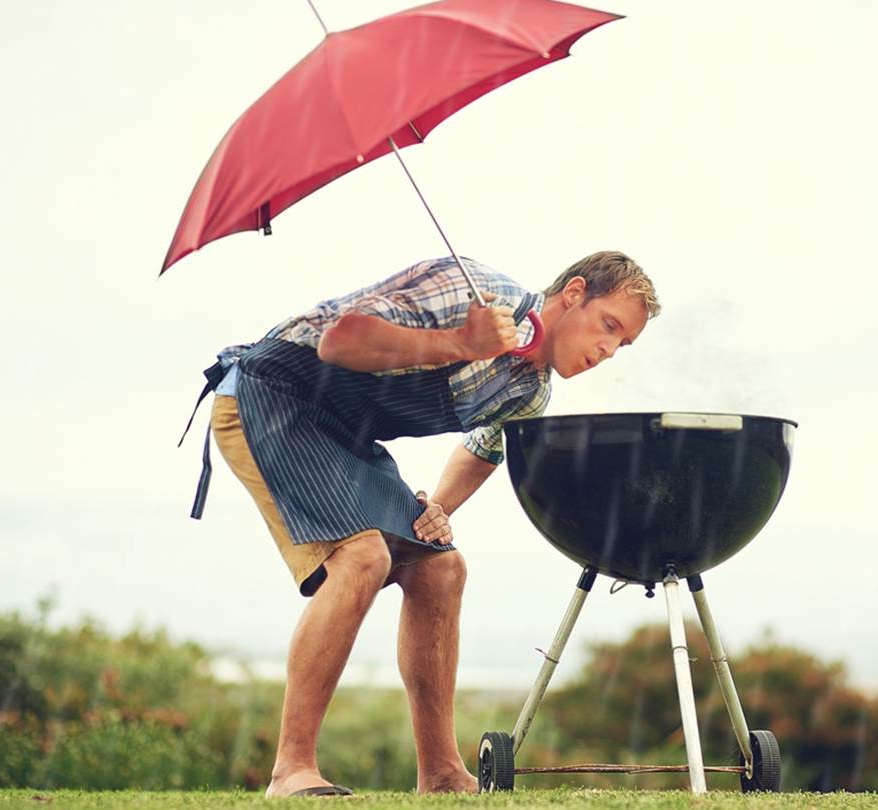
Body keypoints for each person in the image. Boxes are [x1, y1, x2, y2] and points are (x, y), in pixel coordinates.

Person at [180, 251, 660, 797]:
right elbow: (340, 341)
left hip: (346, 434)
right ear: (574, 294)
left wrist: (441, 511)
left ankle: (441, 775)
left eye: (622, 344)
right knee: (362, 558)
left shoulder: (530, 392)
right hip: (271, 394)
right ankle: (291, 770)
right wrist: (462, 343)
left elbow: (484, 447)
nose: (607, 350)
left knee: (442, 567)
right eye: (609, 326)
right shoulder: (474, 290)